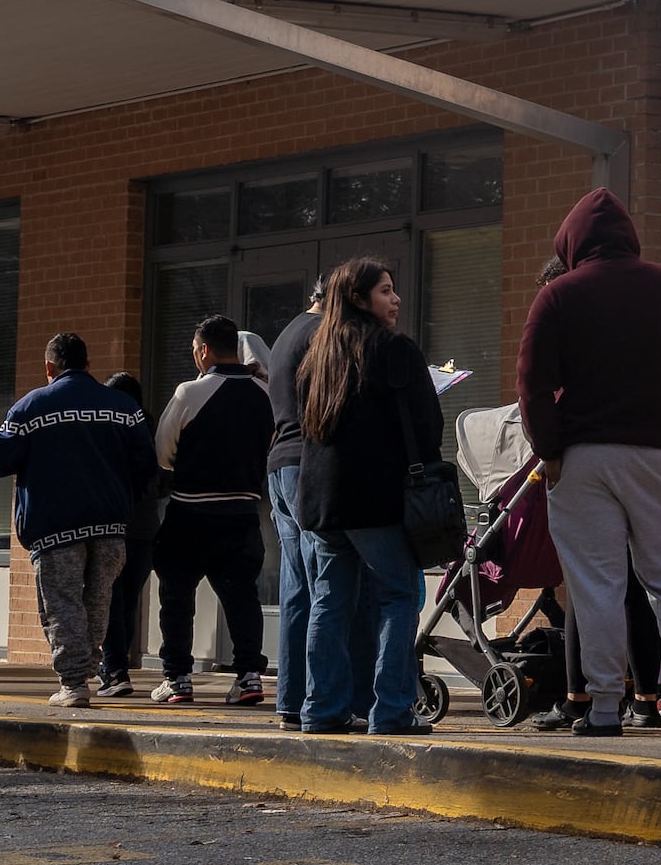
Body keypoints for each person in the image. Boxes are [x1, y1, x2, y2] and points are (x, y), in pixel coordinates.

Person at [518, 190, 661, 738]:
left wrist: (550, 450)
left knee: (597, 584)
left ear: (571, 242)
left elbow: (532, 384)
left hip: (583, 458)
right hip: (660, 455)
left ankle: (605, 706)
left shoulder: (558, 296)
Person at [294, 259, 448, 733]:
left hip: (324, 500)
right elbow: (429, 425)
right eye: (385, 291)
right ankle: (392, 710)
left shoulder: (317, 353)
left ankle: (321, 710)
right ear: (359, 299)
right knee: (399, 596)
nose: (395, 299)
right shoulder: (393, 348)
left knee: (329, 601)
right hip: (377, 497)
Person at [0, 334, 154, 710]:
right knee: (98, 601)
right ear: (88, 365)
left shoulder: (29, 407)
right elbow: (146, 463)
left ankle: (74, 681)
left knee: (62, 603)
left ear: (49, 368)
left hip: (55, 525)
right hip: (112, 524)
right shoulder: (123, 406)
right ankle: (88, 670)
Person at [149, 319, 275, 705]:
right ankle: (249, 675)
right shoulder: (265, 395)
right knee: (242, 597)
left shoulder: (190, 392)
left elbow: (163, 452)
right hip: (242, 511)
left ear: (203, 350)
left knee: (176, 596)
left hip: (190, 511)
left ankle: (178, 678)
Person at [261, 276, 329, 727]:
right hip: (307, 462)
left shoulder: (290, 331)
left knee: (297, 587)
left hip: (281, 464)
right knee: (326, 582)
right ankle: (321, 701)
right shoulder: (320, 335)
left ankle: (290, 700)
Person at [102, 372, 162, 692]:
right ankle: (116, 665)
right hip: (145, 531)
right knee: (125, 602)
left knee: (112, 600)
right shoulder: (149, 432)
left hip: (115, 527)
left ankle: (115, 671)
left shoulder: (113, 434)